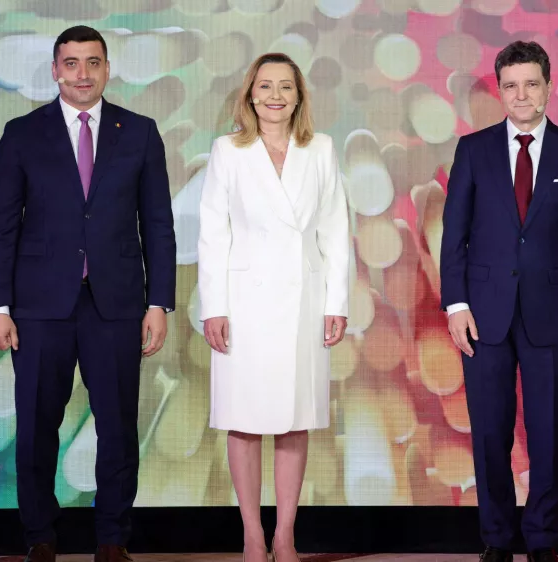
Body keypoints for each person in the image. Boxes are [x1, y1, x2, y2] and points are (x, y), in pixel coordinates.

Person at [0, 25, 177, 562]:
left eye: (93, 63)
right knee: (37, 427)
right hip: (38, 306)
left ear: (108, 69)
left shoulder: (139, 132)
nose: (82, 74)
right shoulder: (22, 133)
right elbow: (1, 226)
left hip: (116, 305)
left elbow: (157, 224)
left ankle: (112, 540)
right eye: (71, 64)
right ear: (54, 70)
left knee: (117, 427)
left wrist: (158, 301)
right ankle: (39, 538)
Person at [439, 41, 558, 562]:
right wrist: (455, 304)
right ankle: (496, 538)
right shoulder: (474, 149)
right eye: (510, 85)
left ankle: (542, 539)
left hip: (554, 316)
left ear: (548, 87)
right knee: (489, 431)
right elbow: (454, 235)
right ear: (500, 90)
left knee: (548, 433)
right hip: (483, 315)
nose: (521, 94)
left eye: (531, 83)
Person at [196, 52, 350, 562]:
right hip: (242, 304)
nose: (275, 95)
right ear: (250, 94)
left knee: (294, 417)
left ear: (299, 96)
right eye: (265, 86)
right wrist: (212, 306)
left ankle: (284, 533)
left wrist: (337, 302)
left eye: (286, 86)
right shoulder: (228, 151)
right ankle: (251, 534)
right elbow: (213, 234)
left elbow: (335, 231)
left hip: (304, 300)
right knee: (243, 419)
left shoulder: (321, 149)